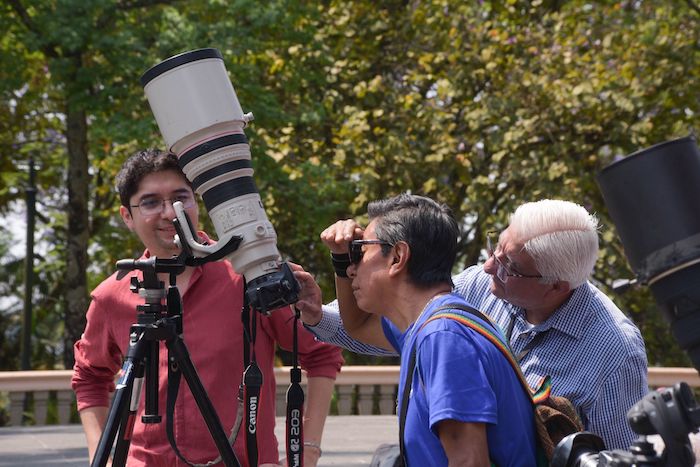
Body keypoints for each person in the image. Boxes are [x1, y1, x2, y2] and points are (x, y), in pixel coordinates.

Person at [298, 199, 648, 451]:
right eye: (495, 247)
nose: (487, 267)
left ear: (556, 285)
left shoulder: (616, 350)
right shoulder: (473, 292)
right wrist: (318, 310)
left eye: (509, 265)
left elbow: (627, 457)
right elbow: (370, 324)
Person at [71, 149, 344, 467]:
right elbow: (89, 376)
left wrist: (305, 453)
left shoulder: (247, 274)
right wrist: (98, 455)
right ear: (126, 216)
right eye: (150, 202)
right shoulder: (112, 295)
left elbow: (321, 353)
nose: (169, 213)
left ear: (196, 202)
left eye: (180, 198)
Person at [294, 193, 537, 466]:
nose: (352, 270)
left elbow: (468, 461)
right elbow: (358, 324)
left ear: (398, 257)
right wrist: (339, 259)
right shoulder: (429, 324)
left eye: (360, 252)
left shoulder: (443, 337)